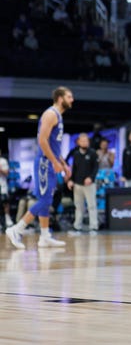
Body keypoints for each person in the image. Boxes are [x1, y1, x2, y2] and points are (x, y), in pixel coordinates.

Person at [6, 87, 74, 249]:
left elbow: (54, 146)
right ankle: (17, 229)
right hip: (44, 163)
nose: (72, 100)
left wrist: (64, 164)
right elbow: (42, 141)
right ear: (59, 98)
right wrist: (55, 162)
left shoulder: (58, 116)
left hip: (51, 162)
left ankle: (44, 236)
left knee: (47, 199)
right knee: (44, 200)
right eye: (69, 97)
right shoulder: (50, 114)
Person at [66, 133, 99, 234]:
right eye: (82, 141)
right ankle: (77, 226)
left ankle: (93, 226)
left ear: (88, 142)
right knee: (78, 206)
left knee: (91, 205)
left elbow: (96, 168)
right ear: (79, 142)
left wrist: (91, 178)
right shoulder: (76, 154)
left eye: (86, 141)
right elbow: (74, 169)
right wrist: (71, 180)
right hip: (78, 184)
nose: (84, 142)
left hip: (89, 184)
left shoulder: (93, 153)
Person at [0, 148, 12, 229]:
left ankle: (8, 219)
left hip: (2, 185)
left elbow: (7, 172)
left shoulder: (3, 161)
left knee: (5, 202)